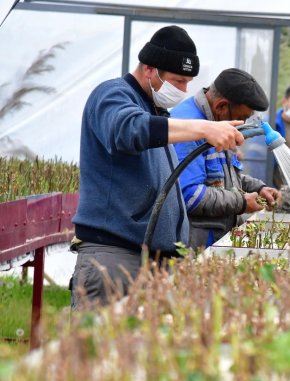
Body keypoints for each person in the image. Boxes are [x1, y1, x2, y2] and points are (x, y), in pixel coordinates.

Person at [71, 25, 246, 308]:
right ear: (150, 69)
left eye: (188, 82)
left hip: (150, 262)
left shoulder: (157, 112)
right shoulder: (112, 95)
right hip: (114, 260)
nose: (184, 91)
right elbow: (126, 130)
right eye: (178, 81)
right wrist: (203, 128)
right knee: (95, 348)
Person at [171, 68, 281, 249]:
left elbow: (223, 176)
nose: (244, 124)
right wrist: (241, 202)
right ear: (221, 106)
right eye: (242, 117)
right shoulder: (189, 127)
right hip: (193, 247)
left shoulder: (217, 122)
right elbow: (190, 195)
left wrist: (258, 188)